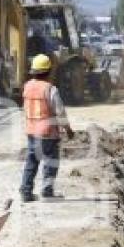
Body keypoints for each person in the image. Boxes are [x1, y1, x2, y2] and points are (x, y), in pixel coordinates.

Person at [20, 54, 75, 202]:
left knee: (31, 162)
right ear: (49, 71)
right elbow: (60, 112)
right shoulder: (50, 89)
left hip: (31, 131)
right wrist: (68, 130)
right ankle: (47, 190)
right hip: (47, 133)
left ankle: (26, 192)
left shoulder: (27, 87)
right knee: (51, 162)